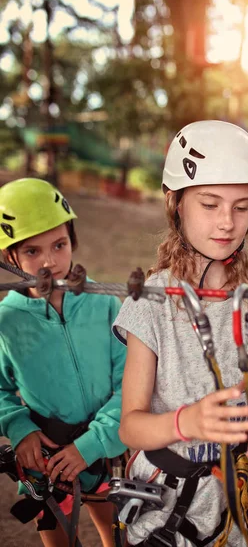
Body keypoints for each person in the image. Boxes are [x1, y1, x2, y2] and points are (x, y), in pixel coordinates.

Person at [113, 120, 248, 546]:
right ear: (176, 203)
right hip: (163, 510)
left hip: (229, 502)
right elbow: (130, 428)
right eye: (210, 204)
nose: (227, 223)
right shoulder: (150, 302)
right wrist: (187, 421)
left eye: (241, 206)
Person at [0, 178, 127, 547]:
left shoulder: (104, 304)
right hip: (47, 462)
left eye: (59, 245)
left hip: (106, 452)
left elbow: (130, 383)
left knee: (119, 537)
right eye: (32, 252)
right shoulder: (7, 321)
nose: (50, 262)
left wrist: (93, 444)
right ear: (10, 257)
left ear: (73, 239)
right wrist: (19, 427)